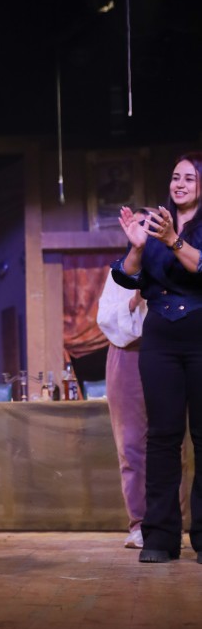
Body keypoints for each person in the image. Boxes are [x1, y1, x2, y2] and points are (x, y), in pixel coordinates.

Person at [113, 154, 202, 563]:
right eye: (175, 177)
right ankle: (161, 538)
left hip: (199, 333)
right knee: (163, 438)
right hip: (161, 338)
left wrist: (173, 241)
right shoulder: (152, 224)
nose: (179, 184)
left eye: (189, 178)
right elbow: (127, 275)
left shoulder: (172, 230)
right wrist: (137, 247)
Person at [97, 208, 151, 550]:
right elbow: (106, 320)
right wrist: (135, 299)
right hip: (128, 355)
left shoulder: (174, 267)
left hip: (168, 353)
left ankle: (170, 520)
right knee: (131, 445)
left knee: (171, 443)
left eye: (151, 225)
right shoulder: (119, 272)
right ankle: (140, 522)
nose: (145, 230)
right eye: (139, 224)